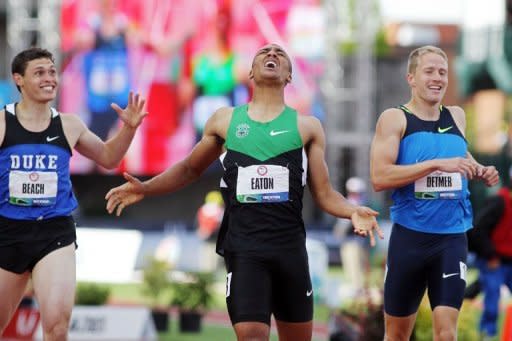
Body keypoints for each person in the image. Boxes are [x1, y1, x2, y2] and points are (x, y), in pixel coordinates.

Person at [105, 43, 383, 341]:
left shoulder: (308, 127)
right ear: (250, 72)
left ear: (289, 76)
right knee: (251, 335)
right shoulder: (225, 121)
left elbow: (325, 193)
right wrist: (146, 188)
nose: (272, 55)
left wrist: (352, 211)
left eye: (280, 54)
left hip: (290, 251)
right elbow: (189, 169)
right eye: (264, 53)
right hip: (244, 249)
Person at [0, 47, 147, 340]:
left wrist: (129, 129)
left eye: (52, 72)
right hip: (8, 232)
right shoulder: (3, 123)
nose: (49, 78)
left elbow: (108, 158)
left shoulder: (69, 124)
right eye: (39, 73)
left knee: (56, 328)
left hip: (54, 232)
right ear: (19, 79)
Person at [369, 45, 500, 340]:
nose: (437, 78)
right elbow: (380, 176)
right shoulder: (395, 119)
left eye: (443, 72)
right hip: (410, 238)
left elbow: (460, 157)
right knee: (397, 335)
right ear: (411, 78)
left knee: (446, 334)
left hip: (452, 238)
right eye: (429, 71)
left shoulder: (456, 116)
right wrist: (437, 164)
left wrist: (480, 169)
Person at [467, 168, 512, 339]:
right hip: (493, 260)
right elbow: (478, 231)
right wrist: (490, 255)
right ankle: (488, 333)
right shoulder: (499, 201)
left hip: (509, 260)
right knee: (492, 297)